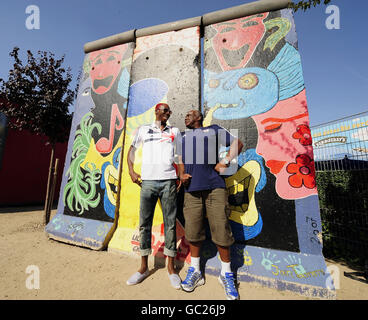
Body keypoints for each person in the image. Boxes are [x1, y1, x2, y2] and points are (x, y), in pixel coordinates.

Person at [178, 109, 243, 300]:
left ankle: (226, 274)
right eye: (185, 114)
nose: (186, 116)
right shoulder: (181, 136)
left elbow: (237, 143)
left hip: (215, 187)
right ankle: (196, 271)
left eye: (190, 114)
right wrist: (181, 174)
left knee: (221, 230)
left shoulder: (214, 129)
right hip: (191, 190)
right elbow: (179, 159)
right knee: (193, 231)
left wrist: (225, 161)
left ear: (199, 118)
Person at [126, 102, 182, 289]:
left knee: (170, 225)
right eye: (163, 110)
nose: (167, 113)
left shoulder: (175, 131)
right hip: (148, 182)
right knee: (144, 224)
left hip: (168, 182)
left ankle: (171, 269)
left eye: (169, 111)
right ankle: (143, 268)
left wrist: (180, 174)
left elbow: (179, 156)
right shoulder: (144, 130)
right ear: (156, 112)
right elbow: (132, 151)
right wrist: (131, 172)